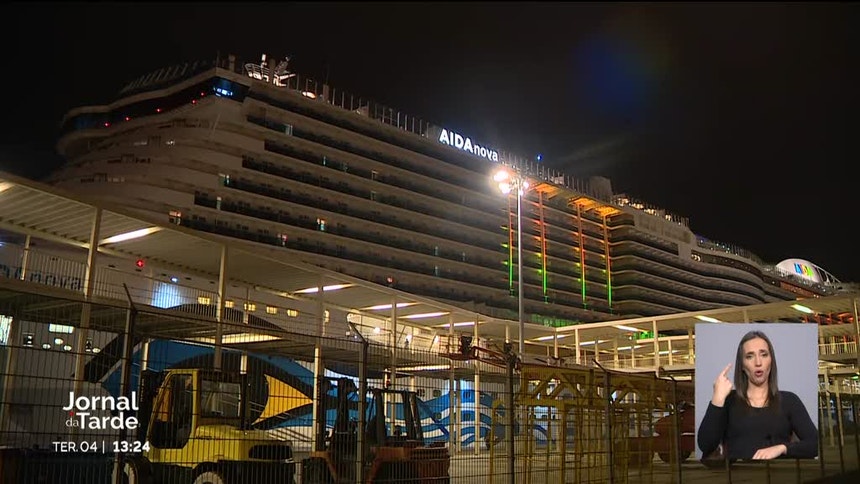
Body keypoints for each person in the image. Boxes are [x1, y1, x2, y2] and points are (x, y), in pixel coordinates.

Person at [697, 330, 818, 461]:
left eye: (764, 355)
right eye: (750, 356)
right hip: (738, 473)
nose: (758, 362)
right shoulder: (728, 401)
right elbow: (706, 445)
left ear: (771, 361)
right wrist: (717, 399)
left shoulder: (789, 401)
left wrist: (782, 448)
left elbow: (815, 444)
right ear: (742, 365)